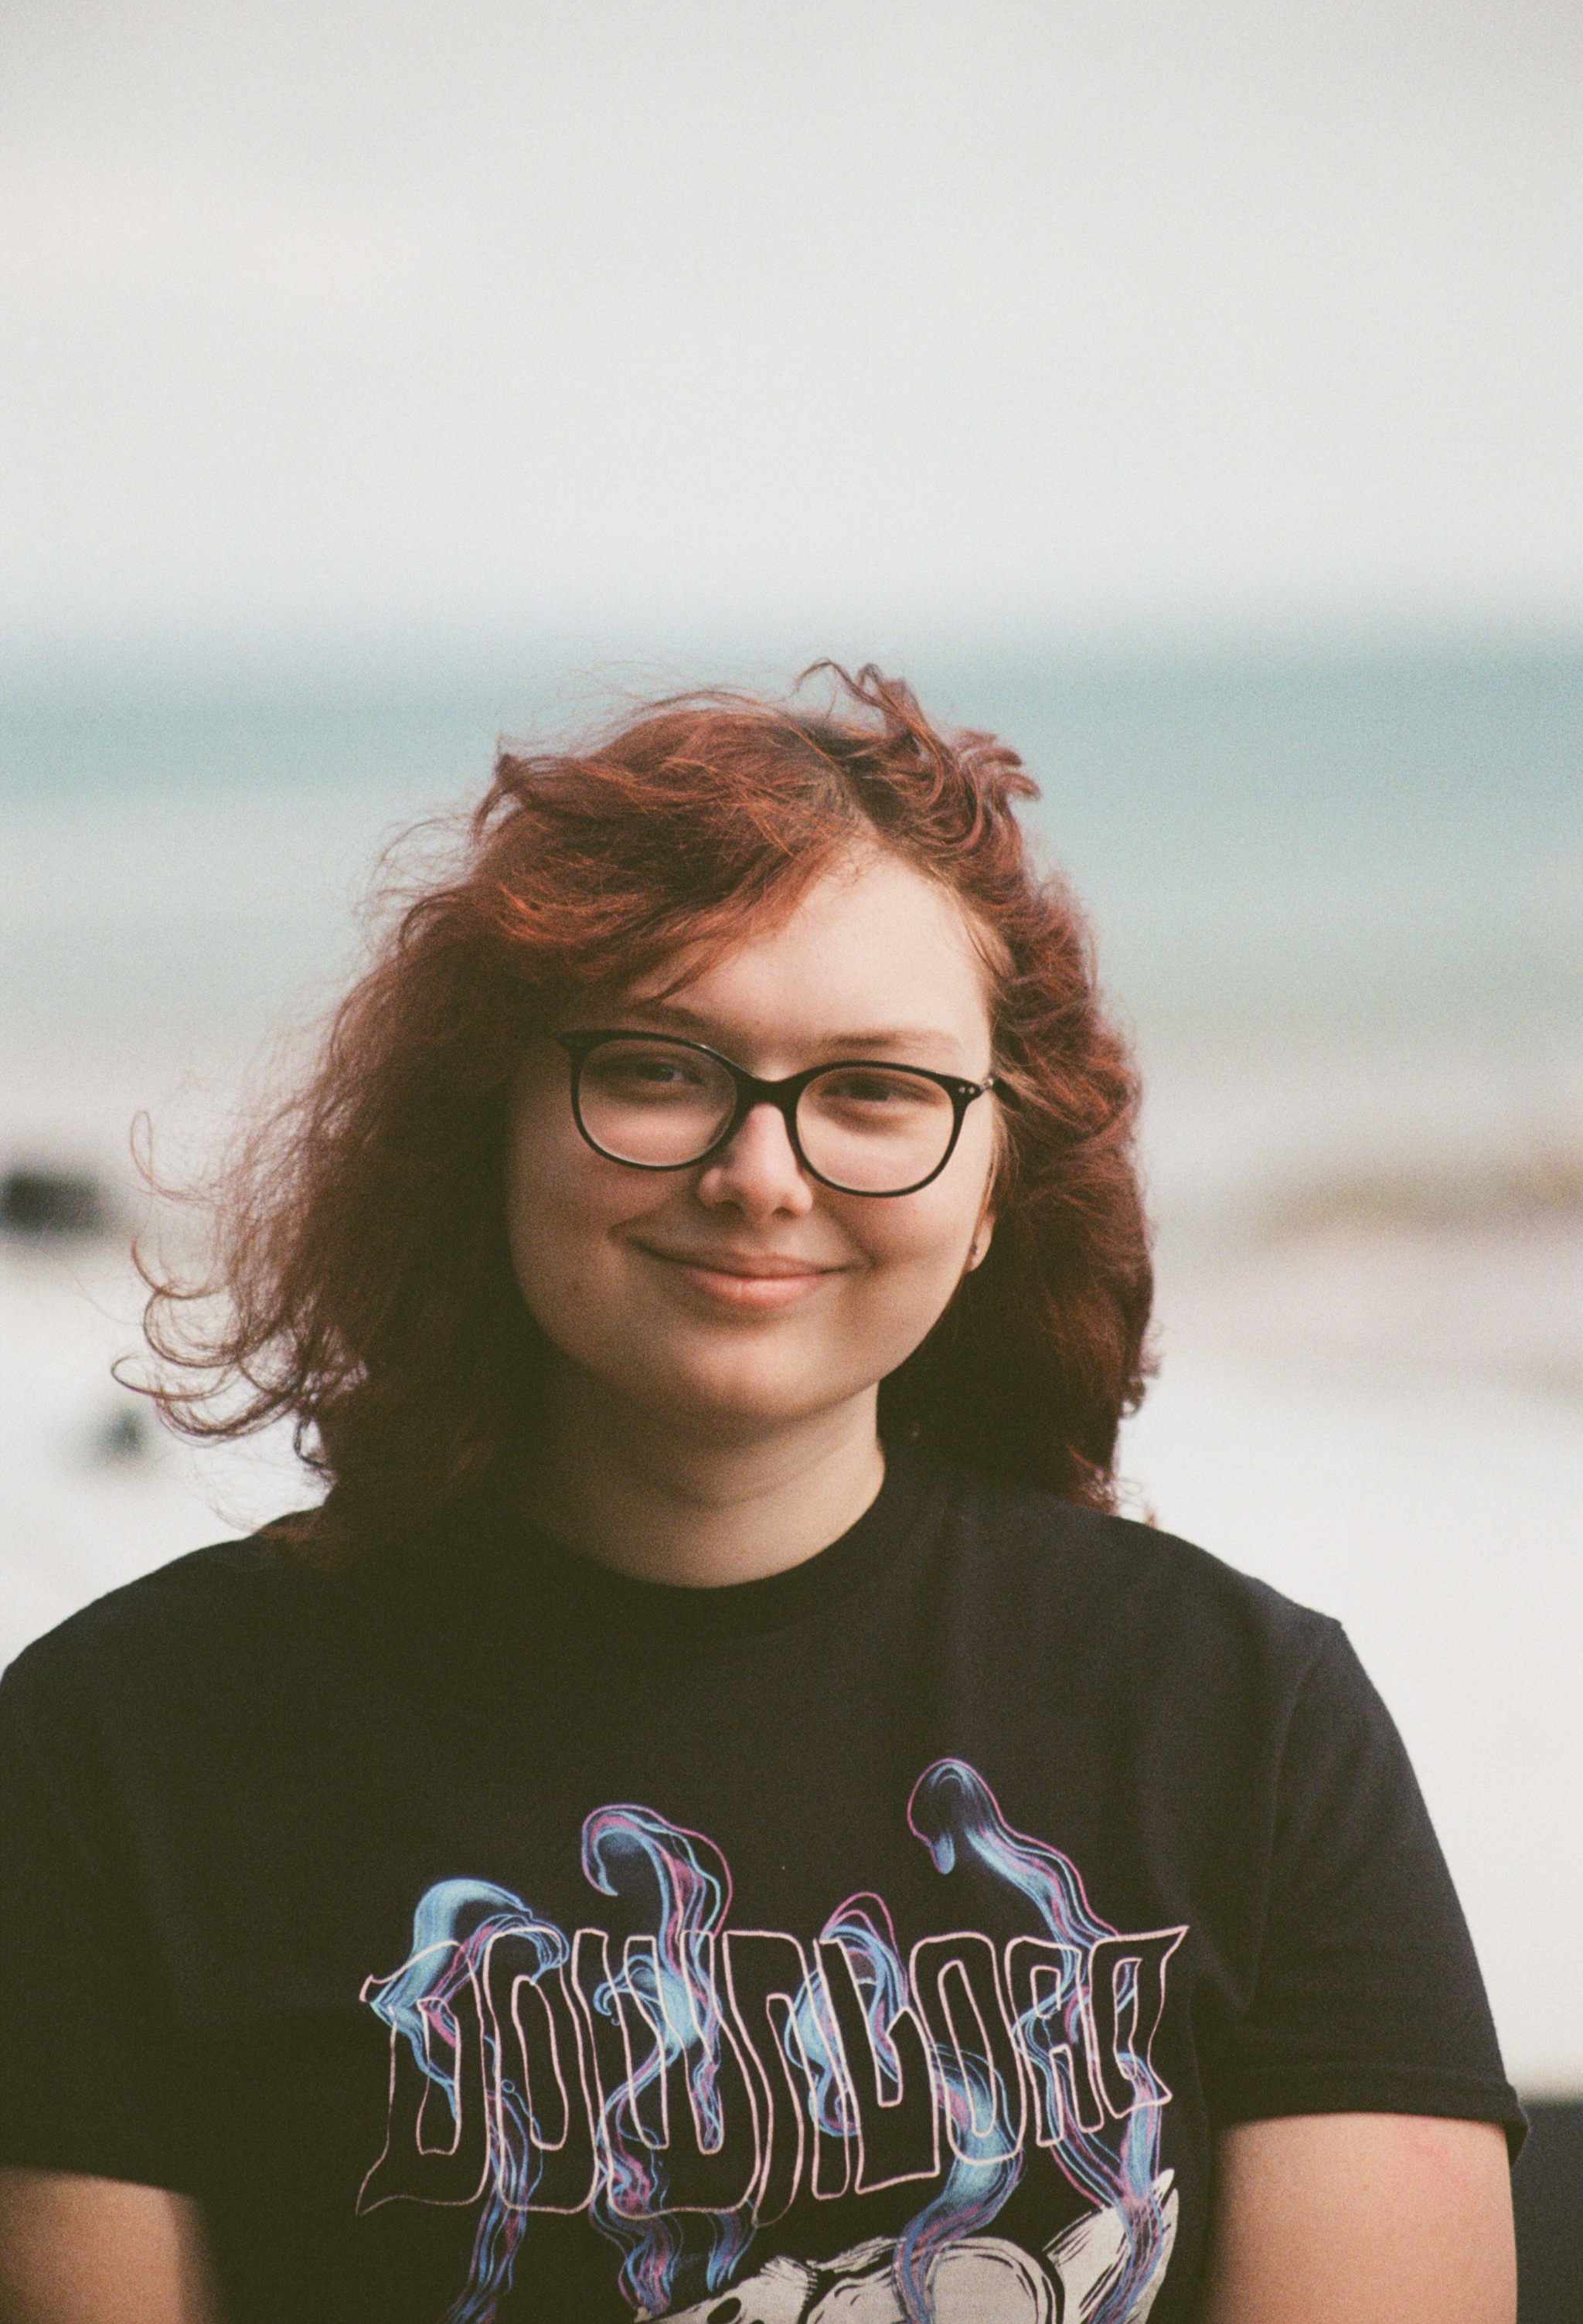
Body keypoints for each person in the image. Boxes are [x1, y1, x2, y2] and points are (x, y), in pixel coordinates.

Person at [0, 668, 1521, 2324]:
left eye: (876, 1089)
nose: (760, 1171)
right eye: (660, 1065)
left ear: (996, 1179)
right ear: (492, 1119)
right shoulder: (119, 1749)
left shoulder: (1250, 1723)